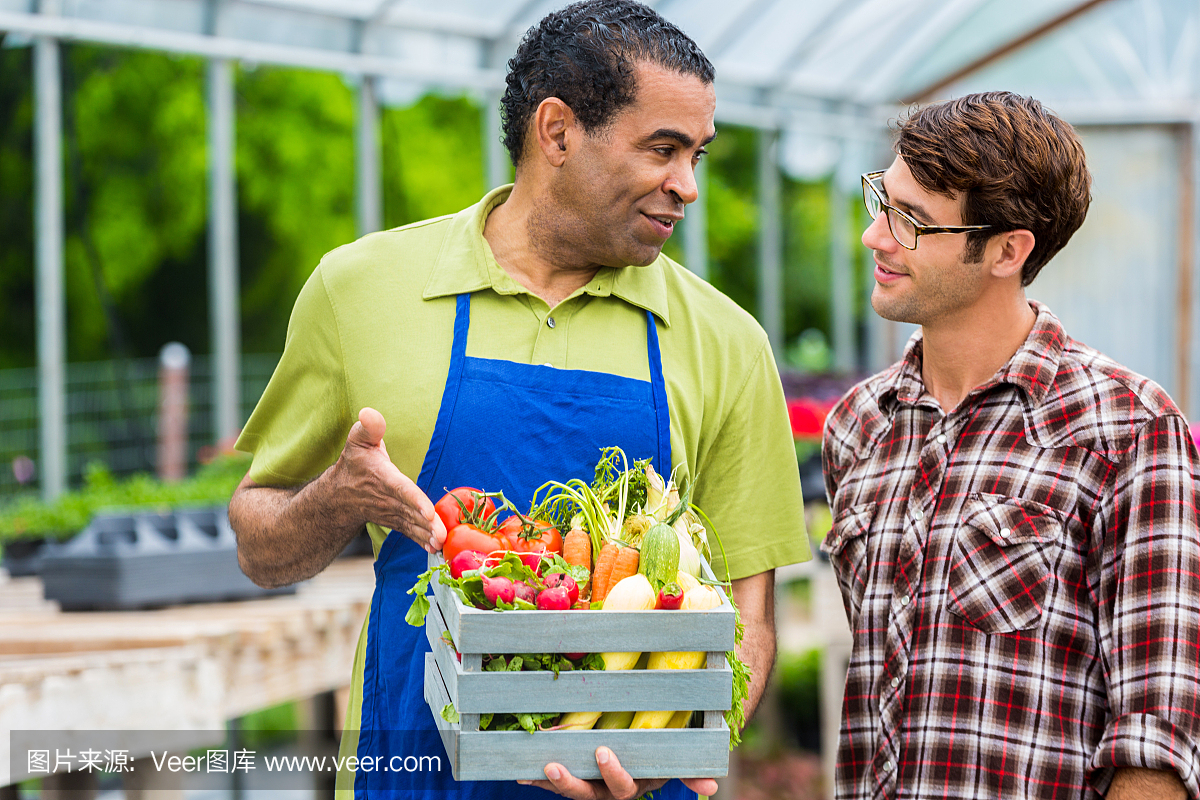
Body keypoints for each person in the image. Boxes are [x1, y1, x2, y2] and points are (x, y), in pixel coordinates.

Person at [228, 1, 810, 798]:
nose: (688, 186)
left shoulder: (726, 340)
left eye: (698, 154)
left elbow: (750, 614)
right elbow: (261, 547)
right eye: (664, 150)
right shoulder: (361, 290)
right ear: (559, 132)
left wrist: (663, 750)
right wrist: (336, 496)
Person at [821, 90, 1200, 800]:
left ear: (1006, 249)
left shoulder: (1128, 431)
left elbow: (1156, 742)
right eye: (883, 200)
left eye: (911, 222)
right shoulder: (858, 426)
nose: (875, 235)